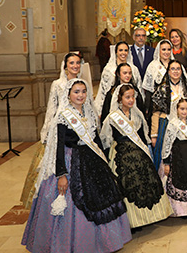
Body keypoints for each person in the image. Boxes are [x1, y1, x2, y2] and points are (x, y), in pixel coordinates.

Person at [22, 79, 131, 253]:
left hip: (92, 161)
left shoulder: (89, 113)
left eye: (83, 91)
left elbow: (95, 140)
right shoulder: (64, 116)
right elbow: (58, 147)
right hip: (70, 160)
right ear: (69, 94)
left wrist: (105, 163)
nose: (80, 95)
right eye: (76, 92)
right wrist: (62, 175)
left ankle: (104, 243)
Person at [100, 84, 172, 228]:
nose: (131, 100)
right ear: (120, 99)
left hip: (138, 153)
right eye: (127, 97)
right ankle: (133, 221)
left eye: (133, 96)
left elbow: (141, 136)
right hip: (121, 154)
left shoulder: (138, 114)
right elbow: (106, 139)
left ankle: (149, 217)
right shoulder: (113, 117)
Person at [20, 53, 85, 209]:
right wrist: (47, 133)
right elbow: (51, 109)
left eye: (77, 63)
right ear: (65, 66)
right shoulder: (57, 84)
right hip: (61, 129)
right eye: (71, 63)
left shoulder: (82, 83)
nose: (75, 66)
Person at [151, 60, 187, 171]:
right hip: (166, 125)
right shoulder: (161, 89)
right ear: (168, 71)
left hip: (185, 125)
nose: (175, 71)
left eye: (178, 69)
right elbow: (156, 112)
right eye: (172, 69)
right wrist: (154, 134)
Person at [95, 42, 142, 116]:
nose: (123, 53)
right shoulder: (108, 70)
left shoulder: (134, 69)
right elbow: (103, 90)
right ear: (116, 52)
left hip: (131, 106)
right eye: (120, 50)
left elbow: (139, 87)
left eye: (126, 50)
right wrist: (100, 110)